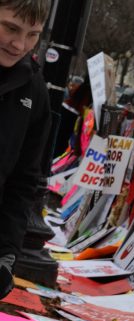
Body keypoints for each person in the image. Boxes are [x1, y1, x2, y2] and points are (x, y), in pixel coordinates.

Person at [0, 0, 51, 300]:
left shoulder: (34, 89)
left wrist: (6, 254)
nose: (19, 44)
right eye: (10, 28)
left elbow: (23, 181)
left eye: (33, 35)